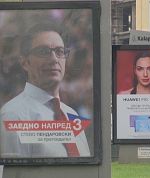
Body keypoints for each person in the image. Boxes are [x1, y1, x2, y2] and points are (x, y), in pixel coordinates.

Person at [0, 23, 90, 158]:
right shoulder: (13, 115)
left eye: (60, 51)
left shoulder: (71, 114)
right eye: (43, 52)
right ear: (25, 62)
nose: (54, 59)